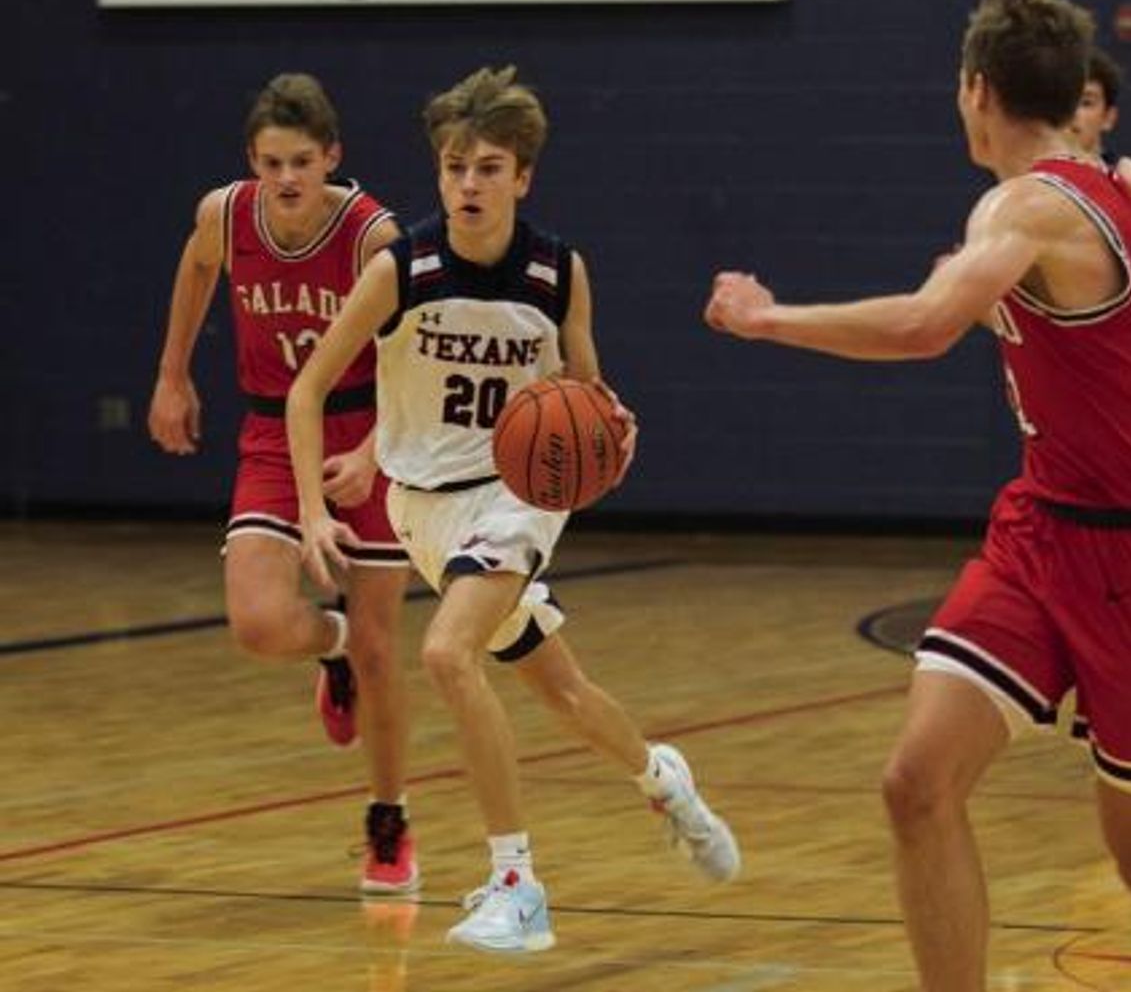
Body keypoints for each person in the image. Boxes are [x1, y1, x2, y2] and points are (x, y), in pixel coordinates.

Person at [705, 0, 1131, 992]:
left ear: (978, 89)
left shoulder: (1026, 204)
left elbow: (921, 325)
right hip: (1042, 533)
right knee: (916, 780)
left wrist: (768, 319)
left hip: (1128, 553)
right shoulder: (1109, 191)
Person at [288, 65, 740, 955]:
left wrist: (611, 422)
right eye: (455, 166)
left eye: (488, 167)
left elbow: (584, 388)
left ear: (522, 176)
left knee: (447, 653)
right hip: (422, 510)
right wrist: (314, 502)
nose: (468, 183)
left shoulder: (555, 272)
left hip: (518, 498)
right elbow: (309, 391)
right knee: (563, 690)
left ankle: (517, 884)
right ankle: (666, 780)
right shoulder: (400, 270)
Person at [147, 73, 417, 894]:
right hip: (272, 429)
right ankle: (326, 648)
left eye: (302, 160)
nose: (288, 177)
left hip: (369, 428)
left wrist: (375, 447)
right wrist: (172, 374)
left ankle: (388, 818)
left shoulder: (375, 237)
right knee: (260, 623)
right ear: (251, 161)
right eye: (271, 162)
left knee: (383, 648)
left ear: (333, 156)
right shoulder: (225, 215)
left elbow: (419, 353)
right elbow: (197, 271)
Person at [1069, 44, 1125, 166]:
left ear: (1108, 117)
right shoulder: (1022, 180)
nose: (1071, 112)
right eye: (1062, 101)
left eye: (1086, 103)